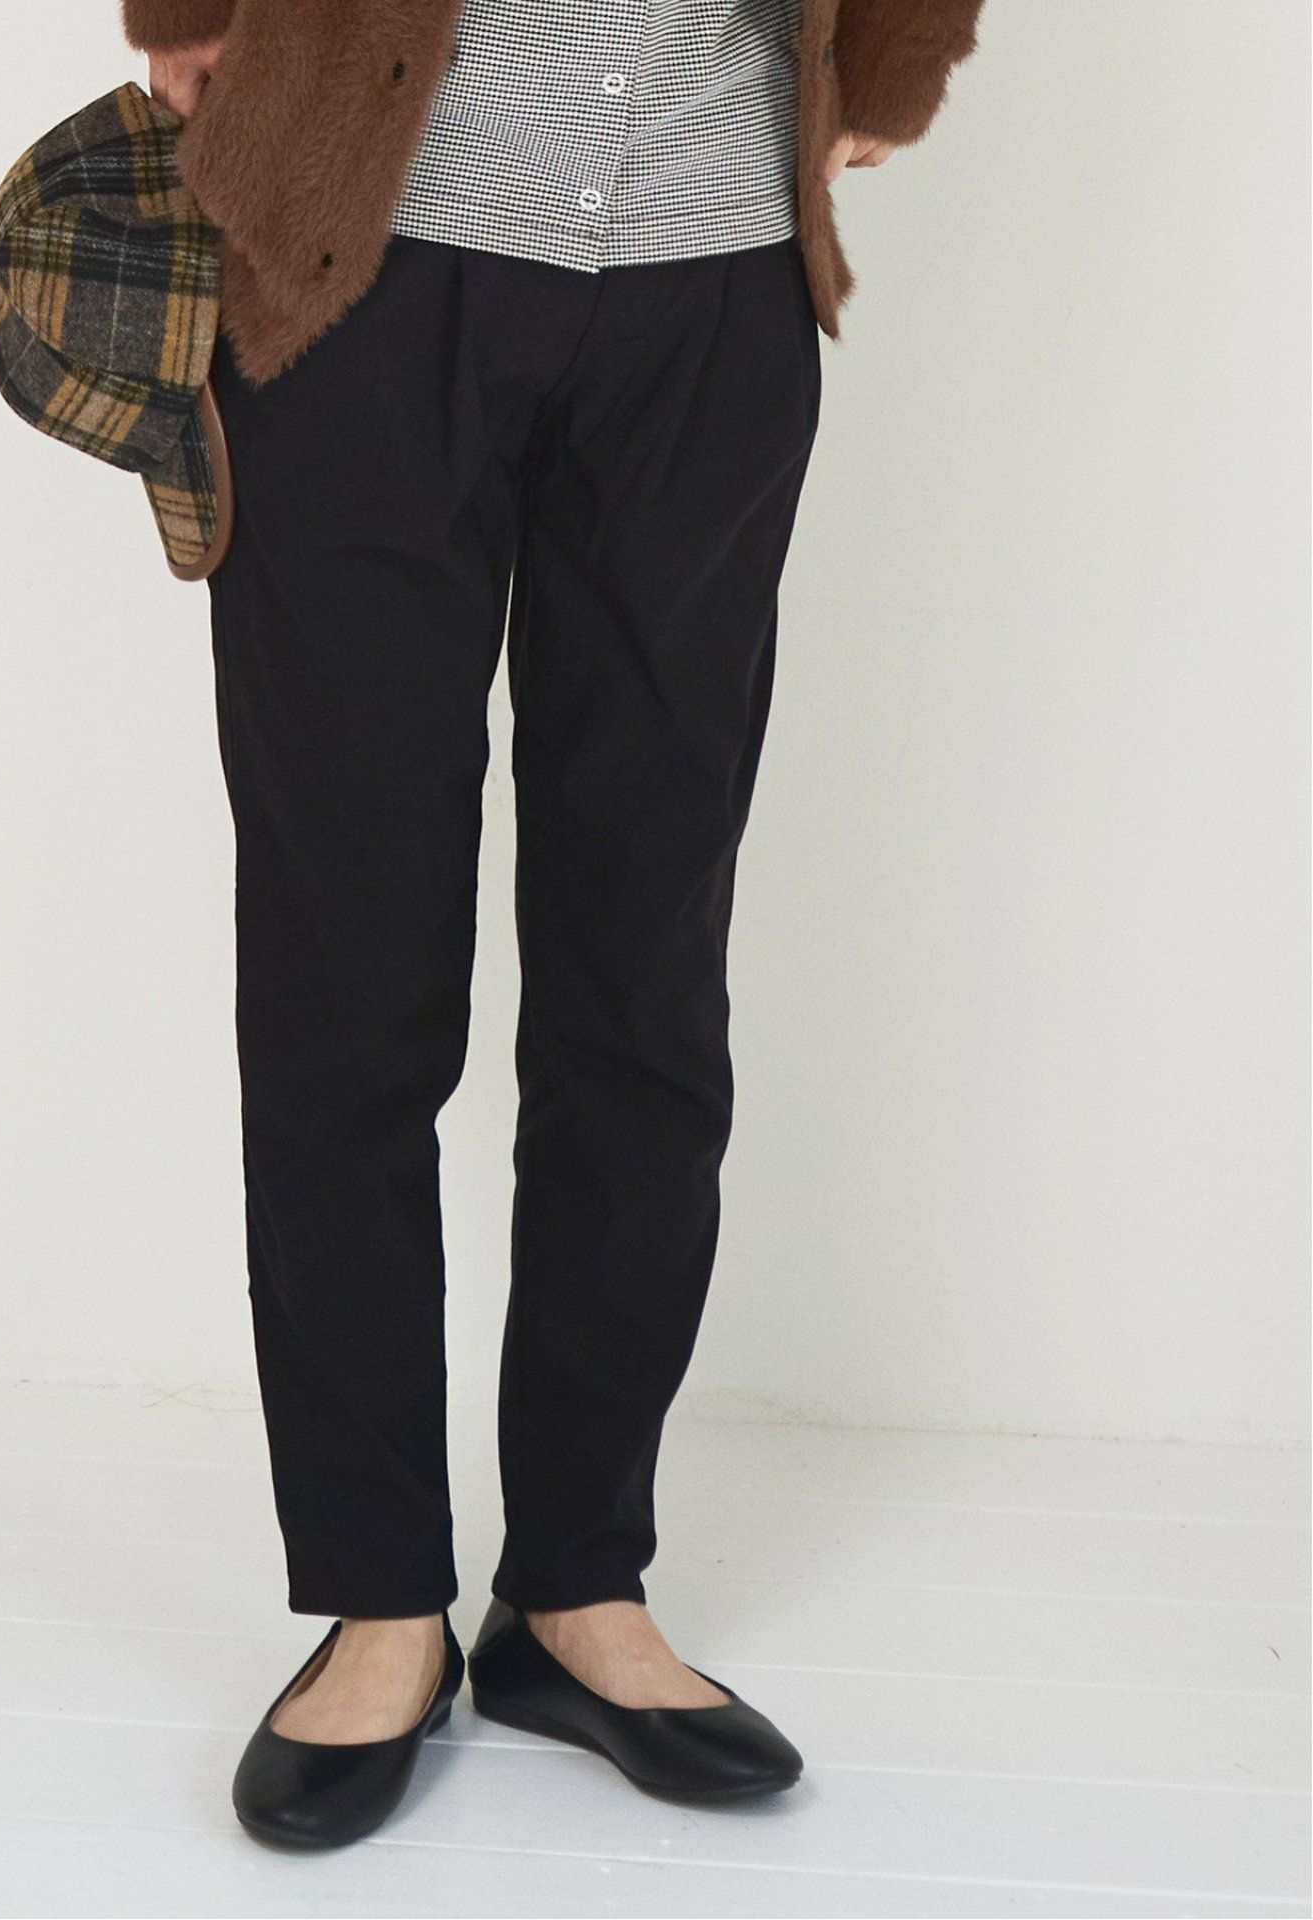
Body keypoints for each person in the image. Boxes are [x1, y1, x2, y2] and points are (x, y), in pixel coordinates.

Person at [122, 0, 983, 1850]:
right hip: (367, 265)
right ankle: (378, 1601)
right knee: (347, 976)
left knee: (644, 978)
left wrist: (900, 51)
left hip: (712, 279)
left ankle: (581, 1588)